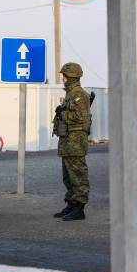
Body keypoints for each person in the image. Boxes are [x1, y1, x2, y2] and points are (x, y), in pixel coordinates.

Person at [52, 62, 91, 221]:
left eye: (65, 76)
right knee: (68, 176)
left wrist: (63, 114)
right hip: (68, 141)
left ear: (71, 77)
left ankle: (79, 208)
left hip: (75, 141)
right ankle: (71, 204)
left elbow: (81, 117)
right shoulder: (71, 94)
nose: (63, 78)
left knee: (78, 175)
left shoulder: (78, 94)